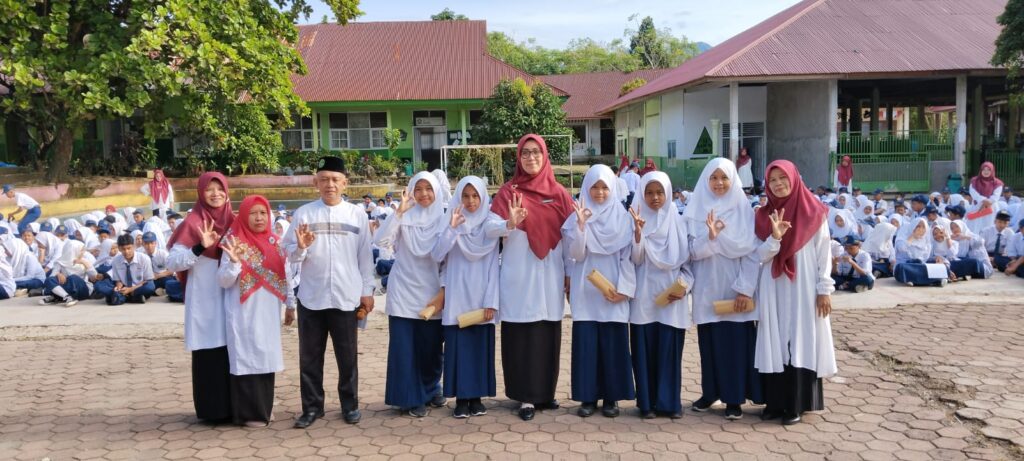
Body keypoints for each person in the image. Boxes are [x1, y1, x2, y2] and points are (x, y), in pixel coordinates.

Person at [485, 134, 573, 421]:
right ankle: (525, 397)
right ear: (518, 158)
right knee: (522, 335)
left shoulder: (559, 193)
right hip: (519, 275)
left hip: (550, 275)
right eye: (525, 153)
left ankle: (545, 393)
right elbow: (489, 228)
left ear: (545, 156)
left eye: (536, 152)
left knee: (547, 333)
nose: (531, 157)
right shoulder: (508, 192)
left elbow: (570, 236)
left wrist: (569, 273)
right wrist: (509, 223)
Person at [283, 156, 375, 428]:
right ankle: (312, 408)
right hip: (312, 296)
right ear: (316, 183)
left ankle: (350, 405)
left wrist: (367, 290)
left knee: (347, 357)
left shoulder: (357, 215)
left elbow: (365, 257)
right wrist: (301, 247)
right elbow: (288, 253)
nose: (330, 185)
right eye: (324, 179)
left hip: (347, 296)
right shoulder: (304, 214)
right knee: (310, 357)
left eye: (335, 179)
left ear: (345, 183)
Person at [753, 159, 836, 426]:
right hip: (774, 285)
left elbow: (824, 252)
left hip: (804, 284)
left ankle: (797, 403)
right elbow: (759, 256)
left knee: (801, 337)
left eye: (783, 178)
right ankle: (775, 402)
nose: (778, 184)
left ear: (794, 178)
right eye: (772, 180)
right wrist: (775, 238)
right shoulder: (763, 215)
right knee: (775, 337)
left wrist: (824, 289)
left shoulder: (814, 211)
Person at [685, 158, 762, 420]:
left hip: (734, 289)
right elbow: (691, 252)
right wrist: (710, 238)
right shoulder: (695, 211)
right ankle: (710, 393)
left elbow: (752, 253)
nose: (719, 183)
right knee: (709, 345)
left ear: (733, 180)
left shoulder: (744, 211)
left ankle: (734, 398)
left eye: (724, 177)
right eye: (714, 178)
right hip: (707, 288)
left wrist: (745, 289)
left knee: (735, 347)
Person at [562, 164, 637, 418]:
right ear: (586, 188)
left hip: (614, 291)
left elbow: (628, 259)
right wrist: (581, 227)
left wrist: (624, 290)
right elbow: (576, 254)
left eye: (605, 187)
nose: (600, 192)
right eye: (594, 187)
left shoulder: (623, 219)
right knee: (587, 345)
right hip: (586, 290)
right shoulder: (576, 217)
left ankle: (611, 398)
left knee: (613, 345)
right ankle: (588, 397)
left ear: (613, 188)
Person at [373, 171, 447, 418]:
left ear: (436, 191)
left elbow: (448, 259)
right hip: (404, 290)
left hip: (433, 292)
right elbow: (381, 241)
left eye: (429, 188)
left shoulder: (445, 219)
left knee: (431, 347)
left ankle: (431, 388)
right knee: (405, 349)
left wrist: (444, 290)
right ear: (411, 191)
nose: (424, 194)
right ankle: (410, 397)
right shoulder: (403, 217)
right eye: (419, 189)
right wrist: (398, 213)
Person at [218, 195, 295, 427]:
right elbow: (223, 281)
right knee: (246, 357)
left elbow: (286, 274)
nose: (259, 218)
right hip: (242, 312)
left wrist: (290, 304)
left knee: (265, 357)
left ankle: (264, 409)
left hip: (269, 311)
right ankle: (248, 414)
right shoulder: (233, 242)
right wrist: (234, 262)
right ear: (243, 215)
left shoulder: (276, 242)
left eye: (263, 213)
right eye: (253, 213)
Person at [166, 172, 234, 423]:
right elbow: (173, 262)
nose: (216, 194)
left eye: (220, 188)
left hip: (230, 298)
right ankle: (212, 412)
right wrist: (199, 247)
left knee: (231, 353)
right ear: (201, 193)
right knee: (209, 355)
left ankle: (234, 408)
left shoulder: (234, 222)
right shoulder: (193, 223)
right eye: (209, 189)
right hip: (204, 302)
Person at [429, 176, 500, 419]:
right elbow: (437, 255)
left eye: (475, 196)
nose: (471, 201)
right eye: (465, 196)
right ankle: (461, 399)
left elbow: (494, 266)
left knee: (480, 348)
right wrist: (452, 229)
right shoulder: (451, 219)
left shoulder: (490, 222)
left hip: (482, 296)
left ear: (483, 197)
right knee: (458, 349)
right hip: (457, 294)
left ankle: (477, 398)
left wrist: (492, 301)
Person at [630, 171, 692, 419]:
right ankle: (646, 404)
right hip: (644, 297)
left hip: (672, 298)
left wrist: (685, 287)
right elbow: (635, 260)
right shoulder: (635, 220)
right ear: (641, 194)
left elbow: (689, 265)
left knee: (669, 352)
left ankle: (670, 404)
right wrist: (638, 235)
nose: (655, 198)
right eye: (649, 192)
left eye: (659, 192)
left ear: (668, 194)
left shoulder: (679, 223)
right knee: (644, 352)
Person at [38, 240, 97, 307]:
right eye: (81, 250)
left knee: (73, 277)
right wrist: (58, 274)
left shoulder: (85, 261)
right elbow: (52, 277)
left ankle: (57, 297)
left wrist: (85, 263)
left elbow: (94, 278)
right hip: (68, 289)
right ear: (72, 250)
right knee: (49, 279)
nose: (83, 253)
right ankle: (67, 297)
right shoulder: (60, 262)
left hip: (82, 290)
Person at [893, 218, 947, 287]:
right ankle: (936, 280)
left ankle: (914, 280)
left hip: (919, 266)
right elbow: (902, 249)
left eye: (923, 227)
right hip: (906, 265)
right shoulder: (904, 235)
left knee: (940, 266)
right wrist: (912, 236)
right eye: (918, 226)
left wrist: (937, 259)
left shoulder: (926, 241)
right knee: (901, 268)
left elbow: (925, 258)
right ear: (913, 226)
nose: (920, 229)